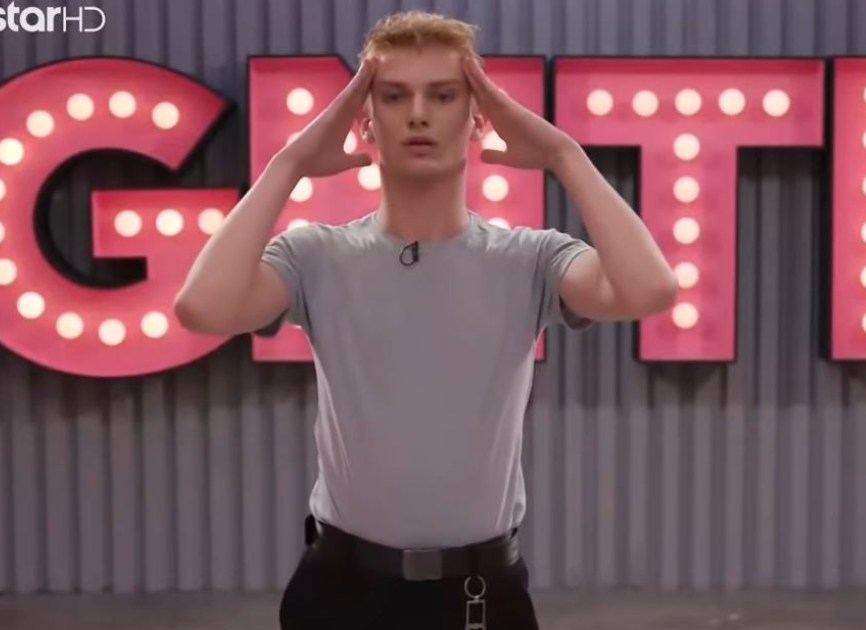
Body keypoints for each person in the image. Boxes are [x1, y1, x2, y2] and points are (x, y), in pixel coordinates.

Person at [174, 10, 677, 630]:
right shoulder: (315, 254)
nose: (418, 114)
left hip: (480, 595)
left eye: (442, 96)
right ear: (365, 119)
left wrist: (562, 154)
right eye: (393, 96)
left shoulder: (531, 258)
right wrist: (289, 162)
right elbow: (203, 307)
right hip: (340, 590)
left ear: (478, 118)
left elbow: (649, 290)